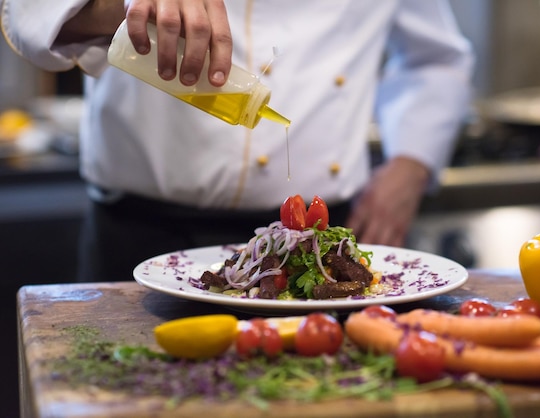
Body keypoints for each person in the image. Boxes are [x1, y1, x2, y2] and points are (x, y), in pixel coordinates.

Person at [1, 0, 474, 282]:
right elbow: (29, 13)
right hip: (140, 238)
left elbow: (435, 59)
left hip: (327, 255)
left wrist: (411, 165)